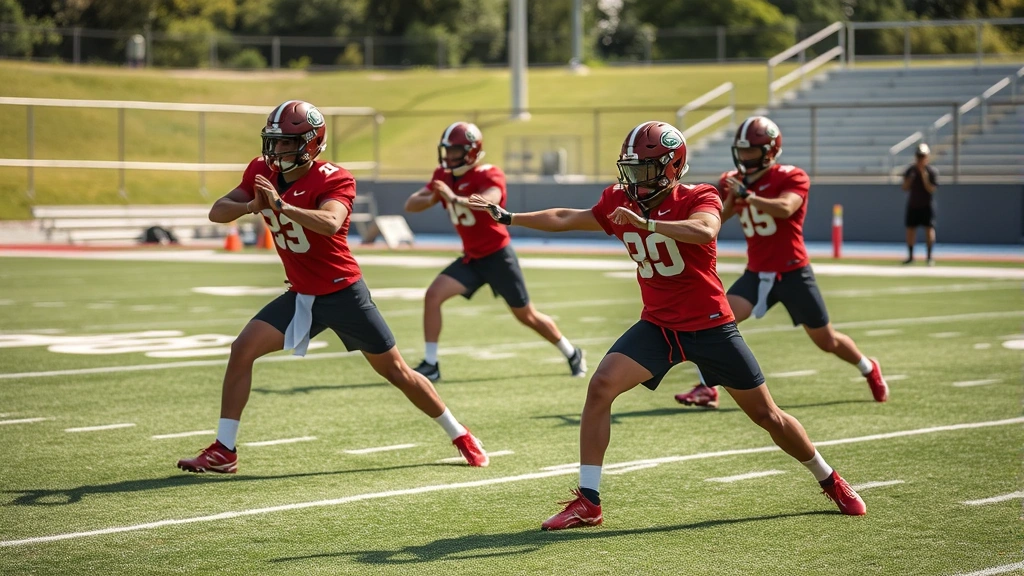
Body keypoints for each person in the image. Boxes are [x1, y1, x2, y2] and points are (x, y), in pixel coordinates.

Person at [469, 120, 867, 531]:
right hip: (658, 325)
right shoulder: (620, 199)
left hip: (710, 326)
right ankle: (588, 501)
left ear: (672, 167)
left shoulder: (699, 195)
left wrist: (648, 225)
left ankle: (829, 479)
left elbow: (706, 229)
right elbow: (569, 216)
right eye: (630, 169)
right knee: (601, 386)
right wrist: (509, 216)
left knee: (767, 415)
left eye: (643, 169)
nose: (633, 179)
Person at [177, 100, 488, 474]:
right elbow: (218, 211)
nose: (277, 150)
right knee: (242, 349)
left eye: (287, 142)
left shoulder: (334, 178)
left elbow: (330, 222)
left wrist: (282, 206)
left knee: (397, 372)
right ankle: (224, 451)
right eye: (274, 141)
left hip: (343, 294)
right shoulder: (262, 171)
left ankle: (459, 433)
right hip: (301, 293)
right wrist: (250, 206)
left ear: (311, 144)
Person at [675, 116, 888, 410]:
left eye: (751, 151)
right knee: (711, 323)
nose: (745, 157)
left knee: (826, 340)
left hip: (792, 273)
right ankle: (707, 388)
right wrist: (733, 201)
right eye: (742, 151)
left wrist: (749, 196)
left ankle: (868, 367)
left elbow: (786, 207)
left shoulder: (791, 176)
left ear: (770, 151)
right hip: (756, 272)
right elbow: (717, 220)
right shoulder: (732, 181)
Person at [403, 121, 586, 382]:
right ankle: (431, 364)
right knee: (433, 296)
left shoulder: (489, 174)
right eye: (448, 150)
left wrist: (453, 198)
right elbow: (411, 205)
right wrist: (434, 197)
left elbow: (489, 201)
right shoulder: (443, 175)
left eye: (455, 150)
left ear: (471, 152)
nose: (449, 156)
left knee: (526, 315)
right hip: (472, 259)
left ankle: (571, 352)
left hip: (498, 256)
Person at [901, 142, 938, 266]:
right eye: (918, 156)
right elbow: (904, 187)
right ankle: (911, 256)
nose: (920, 159)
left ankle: (929, 256)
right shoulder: (910, 170)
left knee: (929, 229)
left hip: (926, 205)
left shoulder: (931, 171)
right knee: (910, 230)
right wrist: (910, 179)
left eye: (922, 156)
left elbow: (932, 189)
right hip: (913, 204)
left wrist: (924, 177)